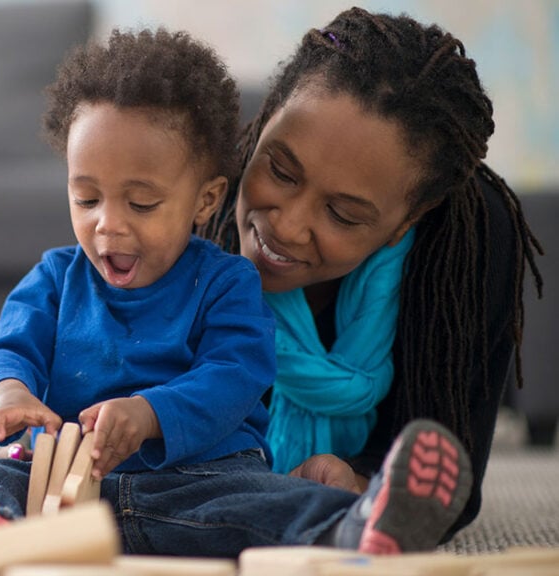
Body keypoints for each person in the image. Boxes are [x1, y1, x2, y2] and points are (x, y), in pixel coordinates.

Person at [0, 24, 477, 559]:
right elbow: (10, 347)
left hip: (197, 478)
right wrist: (11, 397)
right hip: (58, 476)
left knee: (270, 504)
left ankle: (363, 528)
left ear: (205, 200)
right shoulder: (54, 276)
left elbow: (237, 373)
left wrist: (150, 414)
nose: (107, 224)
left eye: (142, 202)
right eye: (85, 197)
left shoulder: (227, 281)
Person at [197, 6, 542, 540]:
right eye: (281, 171)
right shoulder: (202, 187)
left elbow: (452, 475)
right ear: (266, 120)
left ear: (408, 219)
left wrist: (357, 480)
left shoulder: (466, 243)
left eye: (342, 214)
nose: (287, 226)